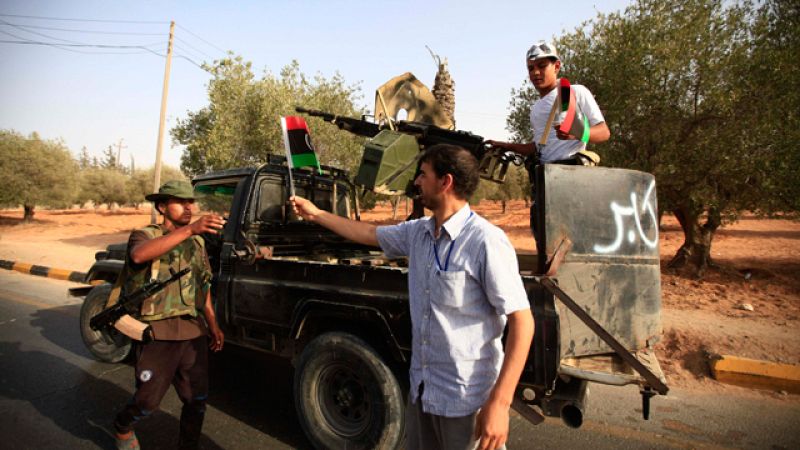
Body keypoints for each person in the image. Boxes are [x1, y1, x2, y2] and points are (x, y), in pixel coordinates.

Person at [291, 144, 534, 450]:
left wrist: (499, 404)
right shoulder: (417, 233)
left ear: (445, 182)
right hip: (423, 392)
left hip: (466, 402)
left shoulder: (485, 242)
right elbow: (367, 234)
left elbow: (523, 322)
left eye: (423, 174)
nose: (417, 182)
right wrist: (316, 214)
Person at [112, 180, 226, 450]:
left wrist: (213, 324)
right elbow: (139, 256)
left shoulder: (197, 242)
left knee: (196, 399)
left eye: (191, 202)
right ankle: (122, 427)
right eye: (180, 202)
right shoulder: (145, 235)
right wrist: (189, 229)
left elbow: (203, 286)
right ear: (162, 206)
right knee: (148, 401)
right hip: (157, 331)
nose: (189, 207)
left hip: (192, 330)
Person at [487, 41, 610, 164]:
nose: (535, 72)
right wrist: (505, 146)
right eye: (531, 68)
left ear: (556, 66)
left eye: (541, 66)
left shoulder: (575, 91)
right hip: (545, 175)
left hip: (571, 174)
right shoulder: (536, 108)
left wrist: (577, 133)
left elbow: (604, 133)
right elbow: (538, 147)